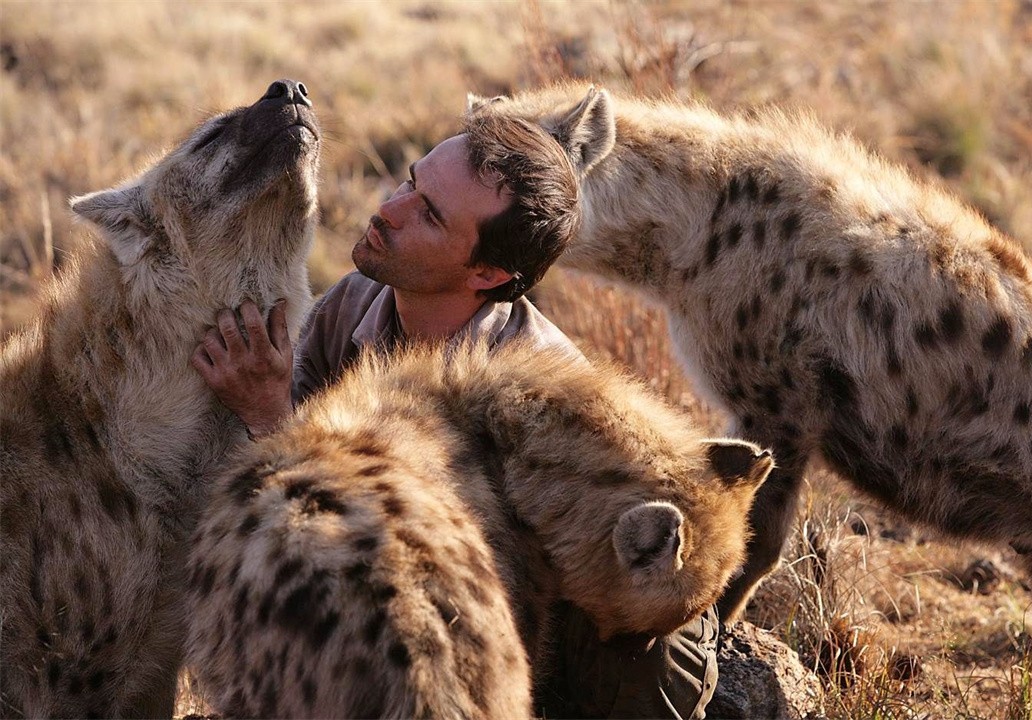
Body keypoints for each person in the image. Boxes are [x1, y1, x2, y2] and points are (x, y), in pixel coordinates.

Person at [192, 111, 719, 719]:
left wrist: (266, 412)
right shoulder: (357, 302)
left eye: (429, 214)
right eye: (412, 182)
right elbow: (312, 504)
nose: (391, 208)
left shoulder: (538, 394)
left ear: (488, 274)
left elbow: (497, 592)